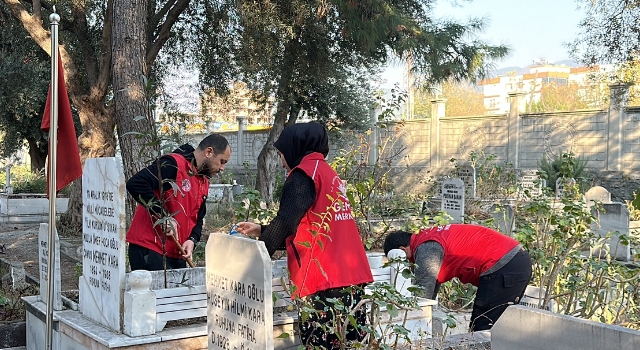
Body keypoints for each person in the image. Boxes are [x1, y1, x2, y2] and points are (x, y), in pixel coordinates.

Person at [235, 122, 373, 349]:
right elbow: (310, 223)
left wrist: (254, 261)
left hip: (323, 281)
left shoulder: (302, 175)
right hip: (351, 279)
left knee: (320, 344)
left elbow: (287, 222)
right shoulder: (328, 175)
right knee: (349, 343)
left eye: (281, 155)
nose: (281, 162)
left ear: (294, 148)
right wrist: (262, 228)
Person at [383, 224, 532, 331]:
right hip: (514, 260)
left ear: (402, 250)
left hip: (504, 265)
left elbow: (421, 298)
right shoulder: (428, 239)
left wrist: (407, 327)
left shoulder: (426, 249)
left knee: (482, 328)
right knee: (500, 327)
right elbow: (430, 290)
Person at [126, 134, 231, 271]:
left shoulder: (203, 181)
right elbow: (136, 183)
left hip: (177, 252)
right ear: (209, 152)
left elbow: (198, 218)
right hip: (150, 248)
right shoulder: (173, 164)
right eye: (222, 161)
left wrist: (192, 240)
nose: (222, 168)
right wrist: (164, 216)